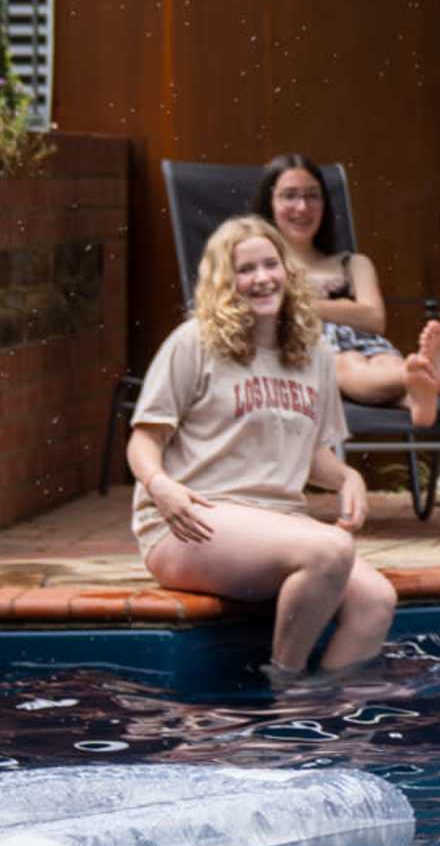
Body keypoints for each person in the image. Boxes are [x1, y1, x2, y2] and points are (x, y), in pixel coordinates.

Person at [127, 214, 398, 674]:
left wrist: (347, 476)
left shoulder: (313, 351)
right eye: (245, 270)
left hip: (275, 524)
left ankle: (324, 705)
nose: (261, 279)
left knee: (376, 600)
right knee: (329, 550)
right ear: (223, 281)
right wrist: (159, 486)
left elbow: (310, 454)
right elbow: (143, 440)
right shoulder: (195, 342)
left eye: (270, 265)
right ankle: (286, 689)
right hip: (193, 519)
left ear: (288, 271)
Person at [256, 154, 440, 428]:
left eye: (313, 196)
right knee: (348, 365)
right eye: (289, 196)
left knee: (385, 360)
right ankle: (421, 374)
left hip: (369, 344)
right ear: (270, 203)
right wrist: (347, 307)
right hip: (311, 351)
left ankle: (417, 393)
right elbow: (266, 310)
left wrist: (301, 300)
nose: (302, 207)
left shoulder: (353, 263)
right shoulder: (261, 265)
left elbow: (374, 319)